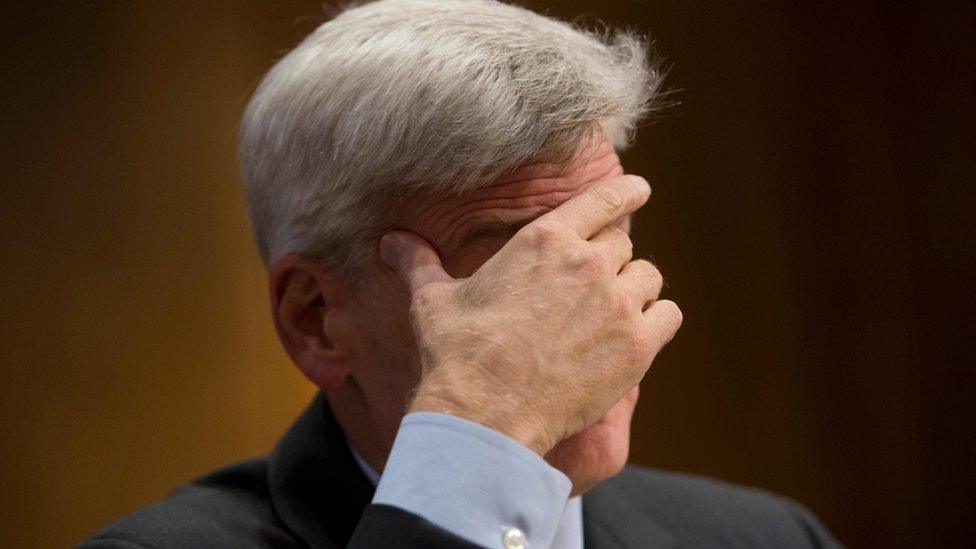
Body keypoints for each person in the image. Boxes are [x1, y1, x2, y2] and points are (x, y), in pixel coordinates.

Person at [82, 0, 840, 547]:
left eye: (609, 239)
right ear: (316, 317)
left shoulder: (766, 534)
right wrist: (482, 435)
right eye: (525, 263)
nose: (608, 304)